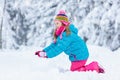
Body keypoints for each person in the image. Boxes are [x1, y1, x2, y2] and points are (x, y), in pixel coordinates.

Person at [35, 10, 104, 73]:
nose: (56, 26)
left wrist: (47, 55)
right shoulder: (62, 34)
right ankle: (93, 67)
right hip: (77, 55)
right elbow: (54, 45)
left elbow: (59, 48)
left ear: (63, 23)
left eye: (57, 23)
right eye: (55, 24)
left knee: (75, 71)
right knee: (74, 70)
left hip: (80, 55)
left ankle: (94, 66)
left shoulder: (67, 35)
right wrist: (44, 51)